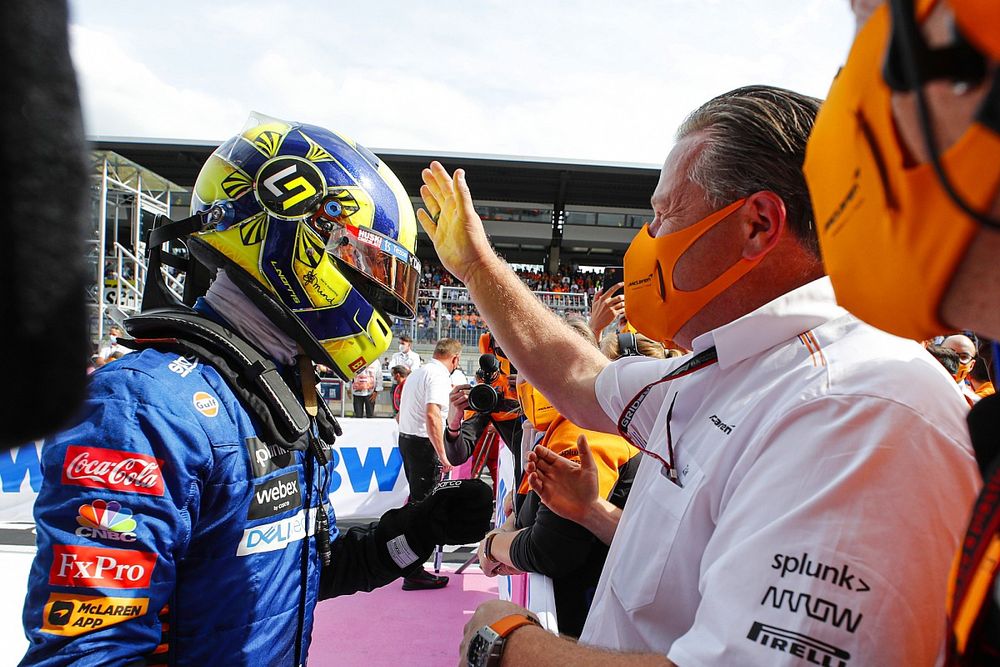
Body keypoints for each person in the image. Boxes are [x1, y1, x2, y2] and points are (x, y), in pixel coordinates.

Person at [418, 86, 979, 666]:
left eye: (665, 214)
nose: (649, 238)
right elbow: (580, 378)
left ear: (758, 225)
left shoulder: (854, 406)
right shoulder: (724, 367)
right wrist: (478, 267)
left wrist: (506, 644)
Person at [19, 115, 492, 666]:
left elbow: (305, 571)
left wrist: (419, 529)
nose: (381, 298)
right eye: (371, 266)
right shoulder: (142, 408)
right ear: (300, 236)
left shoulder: (272, 395)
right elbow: (86, 654)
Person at [476, 327, 649, 638]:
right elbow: (533, 508)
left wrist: (492, 546)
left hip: (598, 621)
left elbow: (552, 549)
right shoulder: (557, 427)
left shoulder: (583, 431)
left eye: (528, 369)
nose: (519, 383)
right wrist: (510, 527)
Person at [396, 337, 463, 590]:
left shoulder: (418, 372)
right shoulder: (437, 376)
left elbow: (401, 413)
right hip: (423, 445)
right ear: (455, 359)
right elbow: (433, 414)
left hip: (409, 440)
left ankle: (410, 566)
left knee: (417, 504)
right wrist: (443, 454)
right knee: (423, 509)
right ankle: (413, 570)